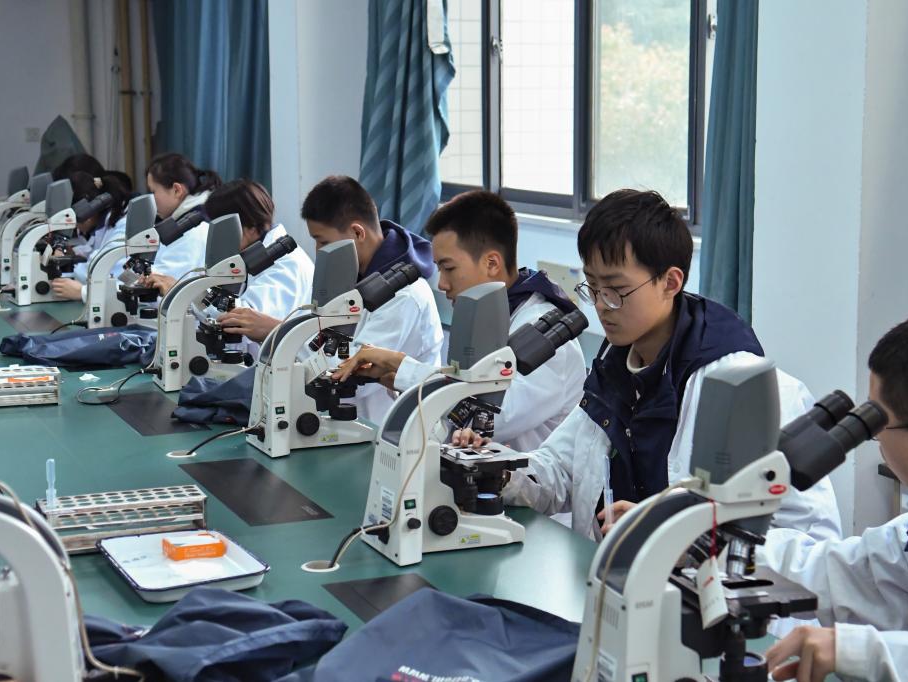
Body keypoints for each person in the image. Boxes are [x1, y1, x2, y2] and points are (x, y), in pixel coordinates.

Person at [380, 189, 840, 542]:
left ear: (670, 282)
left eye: (616, 290)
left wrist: (673, 531)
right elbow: (557, 473)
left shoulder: (744, 388)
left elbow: (809, 537)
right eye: (592, 287)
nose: (601, 305)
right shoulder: (615, 370)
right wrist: (498, 469)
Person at [761, 308, 908, 681]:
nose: (872, 437)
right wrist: (705, 540)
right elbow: (838, 572)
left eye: (877, 423)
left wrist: (867, 652)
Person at [332, 190, 586, 452]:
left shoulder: (546, 338)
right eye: (439, 268)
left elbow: (486, 419)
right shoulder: (484, 316)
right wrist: (397, 379)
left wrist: (402, 366)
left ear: (491, 263)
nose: (441, 284)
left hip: (521, 477)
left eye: (449, 268)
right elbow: (453, 417)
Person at [220, 175, 443, 424]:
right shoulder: (348, 274)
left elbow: (349, 371)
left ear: (357, 232)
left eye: (323, 241)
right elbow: (315, 335)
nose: (318, 251)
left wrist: (278, 331)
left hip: (381, 427)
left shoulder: (405, 295)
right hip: (336, 420)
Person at [199, 179, 314, 325]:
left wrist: (195, 294)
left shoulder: (287, 264)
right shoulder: (251, 252)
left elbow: (244, 320)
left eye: (222, 229)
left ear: (251, 227)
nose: (217, 237)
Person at [140, 152, 221, 289]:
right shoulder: (194, 218)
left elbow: (161, 284)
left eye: (153, 192)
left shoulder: (193, 230)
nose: (151, 200)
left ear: (177, 190)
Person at [49, 170, 132, 300]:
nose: (75, 228)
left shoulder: (123, 227)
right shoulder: (106, 225)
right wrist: (72, 252)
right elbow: (94, 250)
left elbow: (103, 270)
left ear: (84, 212)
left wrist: (81, 292)